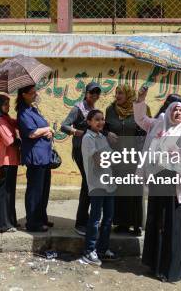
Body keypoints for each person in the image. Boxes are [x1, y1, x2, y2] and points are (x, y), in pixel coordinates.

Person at [134, 86, 181, 282]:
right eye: (175, 109)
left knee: (174, 226)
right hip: (158, 182)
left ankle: (172, 269)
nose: (178, 113)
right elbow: (140, 119)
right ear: (168, 111)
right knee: (156, 223)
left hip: (177, 187)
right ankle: (155, 264)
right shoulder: (158, 125)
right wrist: (141, 100)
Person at [103, 84, 147, 236]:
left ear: (128, 94)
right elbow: (103, 127)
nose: (117, 96)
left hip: (134, 156)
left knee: (135, 191)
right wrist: (107, 133)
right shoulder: (110, 110)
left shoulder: (138, 109)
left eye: (120, 93)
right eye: (116, 93)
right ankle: (121, 223)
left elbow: (146, 130)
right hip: (116, 157)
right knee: (120, 190)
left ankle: (136, 224)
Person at [61, 82, 101, 236]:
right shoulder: (78, 108)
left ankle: (85, 218)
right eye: (92, 93)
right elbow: (64, 126)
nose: (94, 96)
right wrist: (75, 131)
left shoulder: (94, 110)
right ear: (86, 93)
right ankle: (80, 223)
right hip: (80, 150)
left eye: (97, 93)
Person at [79, 109, 118, 266]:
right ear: (89, 122)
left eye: (102, 119)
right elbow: (100, 161)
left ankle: (103, 249)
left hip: (109, 183)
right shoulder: (88, 138)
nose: (101, 122)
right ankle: (89, 250)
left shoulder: (102, 137)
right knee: (95, 219)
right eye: (97, 119)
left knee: (108, 219)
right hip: (97, 184)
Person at [17, 85, 53, 232]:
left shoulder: (33, 109)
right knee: (35, 191)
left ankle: (42, 218)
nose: (35, 94)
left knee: (44, 190)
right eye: (32, 93)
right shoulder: (23, 112)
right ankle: (33, 222)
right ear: (24, 94)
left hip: (44, 156)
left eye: (35, 92)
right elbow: (31, 133)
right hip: (35, 157)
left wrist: (48, 133)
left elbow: (42, 129)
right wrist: (48, 129)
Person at [0, 94, 21, 233]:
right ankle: (2, 224)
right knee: (4, 192)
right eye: (5, 104)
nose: (8, 107)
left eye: (8, 104)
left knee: (10, 191)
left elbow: (18, 123)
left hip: (12, 159)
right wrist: (22, 140)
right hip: (6, 160)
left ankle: (10, 220)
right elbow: (10, 141)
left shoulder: (5, 118)